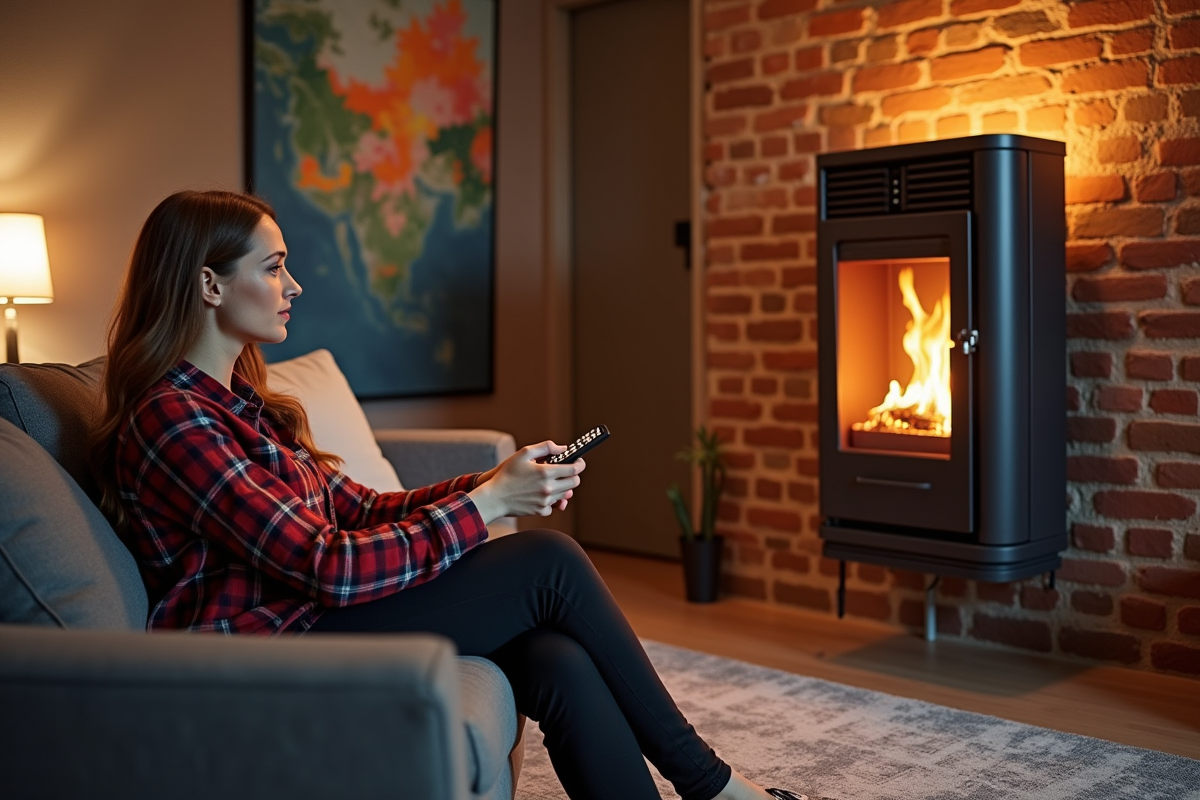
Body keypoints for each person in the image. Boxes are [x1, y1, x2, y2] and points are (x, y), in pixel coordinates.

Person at [91, 189, 807, 800]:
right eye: (274, 268)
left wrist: (493, 483)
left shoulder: (238, 402)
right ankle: (713, 786)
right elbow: (326, 566)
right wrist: (492, 507)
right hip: (264, 648)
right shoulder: (172, 418)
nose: (295, 286)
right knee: (548, 563)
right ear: (210, 285)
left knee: (552, 655)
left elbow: (359, 509)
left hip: (306, 616)